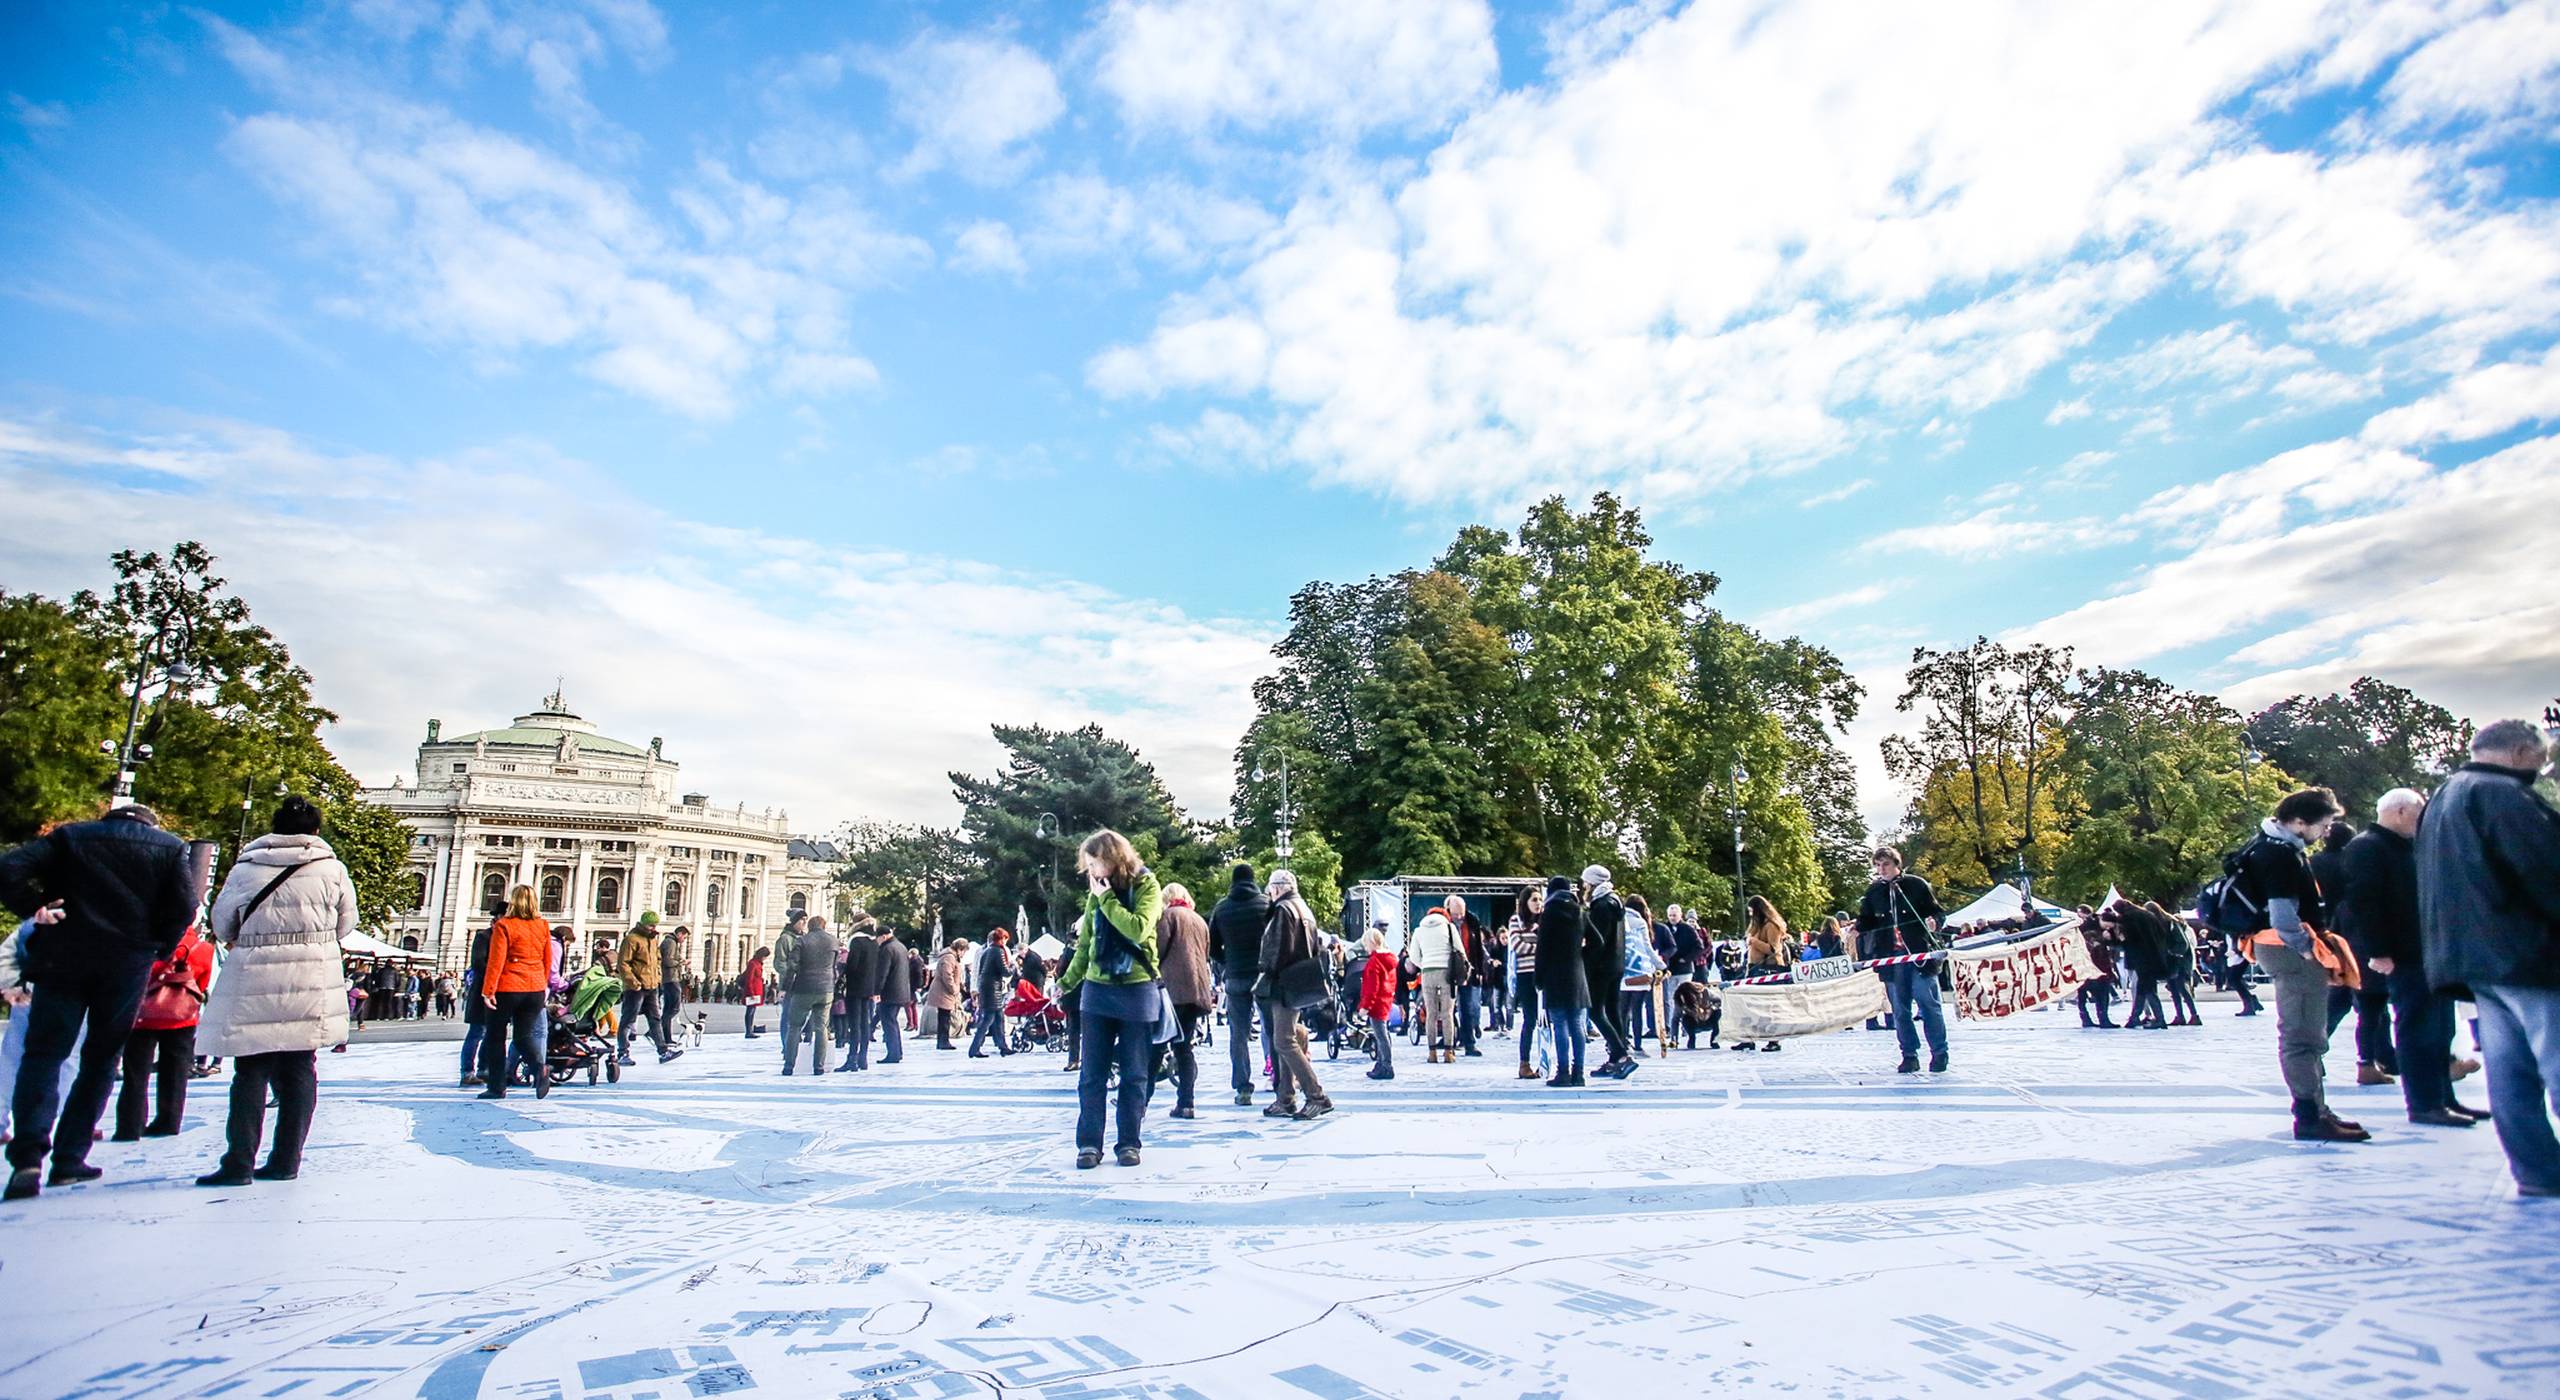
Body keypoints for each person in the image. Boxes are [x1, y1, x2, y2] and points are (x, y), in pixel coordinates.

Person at [0, 803, 199, 1202]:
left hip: (62, 956)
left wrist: (35, 908)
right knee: (101, 1059)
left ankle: (28, 1157)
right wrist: (156, 947)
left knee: (43, 1055)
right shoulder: (170, 848)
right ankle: (70, 1158)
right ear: (149, 823)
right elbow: (183, 908)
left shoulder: (71, 837)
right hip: (126, 962)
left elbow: (8, 869)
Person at [2416, 719, 2560, 1195]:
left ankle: (2538, 1172)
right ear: (2521, 752)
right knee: (2552, 1060)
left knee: (2509, 1071)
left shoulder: (2443, 797)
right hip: (2527, 953)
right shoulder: (2502, 797)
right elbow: (2545, 872)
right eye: (2542, 757)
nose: (2544, 766)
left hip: (2474, 958)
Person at [191, 796, 358, 1183]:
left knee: (249, 1070)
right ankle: (286, 1161)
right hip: (311, 977)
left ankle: (238, 1163)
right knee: (300, 1069)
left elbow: (223, 924)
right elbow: (346, 923)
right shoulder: (331, 870)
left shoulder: (246, 868)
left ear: (274, 827)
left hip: (253, 975)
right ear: (316, 831)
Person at [2347, 788, 2484, 1129]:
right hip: (2404, 956)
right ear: (2400, 812)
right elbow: (2365, 903)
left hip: (2427, 954)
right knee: (2417, 1029)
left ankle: (2442, 1098)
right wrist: (2379, 951)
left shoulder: (2403, 846)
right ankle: (2424, 1103)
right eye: (2418, 812)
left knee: (2440, 1029)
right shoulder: (2368, 847)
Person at [2239, 786, 2369, 1143]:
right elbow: (2282, 913)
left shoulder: (2266, 847)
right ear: (2299, 822)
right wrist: (2308, 949)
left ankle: (2317, 1110)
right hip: (2288, 949)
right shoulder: (2279, 855)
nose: (2325, 833)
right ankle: (2310, 1114)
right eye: (2323, 825)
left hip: (2275, 946)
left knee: (2306, 1033)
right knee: (2303, 1035)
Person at [1059, 830, 1165, 1167]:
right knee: (1092, 1073)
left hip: (1137, 989)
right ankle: (1089, 1144)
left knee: (1135, 1073)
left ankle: (1128, 1143)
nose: (1090, 870)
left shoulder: (1147, 885)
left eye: (1095, 862)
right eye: (1087, 864)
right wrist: (1066, 981)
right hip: (1097, 990)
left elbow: (1138, 929)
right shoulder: (1095, 893)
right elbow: (1086, 946)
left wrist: (1106, 900)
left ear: (1113, 858)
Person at [2315, 820, 2398, 1085]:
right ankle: (2378, 1057)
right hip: (2360, 931)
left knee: (2338, 1000)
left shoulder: (2315, 863)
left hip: (2333, 932)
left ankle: (2315, 1051)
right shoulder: (2354, 864)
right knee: (2373, 1004)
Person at [114, 920, 213, 1140]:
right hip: (182, 1016)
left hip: (143, 1016)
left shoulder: (143, 940)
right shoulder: (201, 948)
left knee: (136, 1073)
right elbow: (202, 983)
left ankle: (130, 1125)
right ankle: (169, 1120)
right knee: (176, 1071)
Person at [1855, 847, 1949, 1075]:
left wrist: (1935, 922)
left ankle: (1939, 1052)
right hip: (1890, 958)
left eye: (1885, 864)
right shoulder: (1874, 891)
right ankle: (1909, 1054)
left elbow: (1938, 913)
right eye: (1877, 865)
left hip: (1919, 956)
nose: (1881, 870)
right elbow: (1866, 921)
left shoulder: (1916, 885)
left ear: (1896, 864)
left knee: (1929, 1005)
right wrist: (1855, 928)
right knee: (1899, 1010)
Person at [1254, 868, 1332, 1122]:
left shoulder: (1284, 910)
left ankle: (1316, 1095)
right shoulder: (1303, 908)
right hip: (1299, 979)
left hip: (1284, 981)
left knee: (1283, 1040)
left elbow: (1276, 950)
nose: (1269, 894)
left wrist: (1265, 971)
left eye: (1270, 889)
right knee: (1287, 1034)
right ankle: (1285, 1097)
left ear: (1278, 887)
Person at [472, 884, 553, 1103]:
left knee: (494, 1037)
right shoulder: (542, 925)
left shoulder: (504, 925)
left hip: (509, 987)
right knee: (523, 1035)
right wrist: (542, 984)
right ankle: (539, 1067)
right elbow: (547, 959)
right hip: (534, 988)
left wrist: (488, 990)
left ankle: (497, 1087)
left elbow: (496, 961)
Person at [1206, 864, 1269, 1107]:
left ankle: (1243, 1087)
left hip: (1235, 976)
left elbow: (1212, 948)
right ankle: (1280, 1081)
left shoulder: (1222, 908)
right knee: (1271, 1030)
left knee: (1238, 1034)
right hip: (1263, 975)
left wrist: (1228, 962)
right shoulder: (1265, 905)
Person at [1156, 883, 1214, 1118]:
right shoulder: (1199, 920)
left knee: (1156, 1046)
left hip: (1172, 992)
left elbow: (1157, 951)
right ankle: (1186, 1102)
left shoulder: (1167, 917)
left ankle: (1140, 1102)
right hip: (1196, 992)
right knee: (1184, 1048)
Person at [1536, 877, 1591, 1087]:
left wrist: (1538, 977)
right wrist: (1581, 954)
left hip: (1554, 974)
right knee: (1577, 1024)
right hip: (1577, 972)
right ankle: (1579, 1073)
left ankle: (1563, 1072)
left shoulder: (1549, 913)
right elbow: (1597, 940)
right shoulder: (1579, 911)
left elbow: (1542, 948)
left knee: (1559, 1023)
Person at [1582, 866, 1636, 1080]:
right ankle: (1615, 1058)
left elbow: (1597, 941)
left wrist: (1586, 961)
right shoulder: (1615, 902)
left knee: (1595, 1011)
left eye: (1585, 882)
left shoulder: (1601, 906)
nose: (1583, 886)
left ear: (1592, 883)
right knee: (1613, 1011)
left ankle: (1621, 1055)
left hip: (1602, 966)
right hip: (1616, 964)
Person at [776, 914, 837, 1075]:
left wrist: (785, 988)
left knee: (794, 1026)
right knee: (821, 1028)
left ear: (809, 926)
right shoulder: (833, 941)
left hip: (804, 988)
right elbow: (835, 967)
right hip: (826, 989)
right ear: (823, 926)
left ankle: (789, 1066)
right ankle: (819, 1067)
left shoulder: (802, 941)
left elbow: (792, 967)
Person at [614, 914, 678, 1066]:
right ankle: (623, 1052)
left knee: (655, 1019)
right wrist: (633, 982)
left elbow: (658, 961)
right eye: (651, 925)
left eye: (655, 925)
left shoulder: (653, 940)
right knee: (628, 1020)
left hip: (652, 986)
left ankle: (663, 1051)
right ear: (642, 924)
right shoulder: (632, 939)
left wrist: (658, 979)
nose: (654, 928)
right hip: (635, 988)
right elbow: (623, 964)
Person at [1738, 895, 1794, 1053]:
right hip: (1755, 967)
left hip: (1769, 968)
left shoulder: (1771, 926)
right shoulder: (1758, 925)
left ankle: (1773, 1039)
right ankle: (1748, 1038)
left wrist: (1753, 942)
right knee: (1750, 1004)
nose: (1750, 915)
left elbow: (1773, 949)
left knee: (1769, 1006)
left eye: (1751, 911)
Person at [1409, 909, 1462, 1064]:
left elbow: (1413, 956)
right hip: (1447, 972)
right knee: (1447, 1013)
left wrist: (1424, 964)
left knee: (1431, 1014)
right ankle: (1448, 1052)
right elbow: (1460, 950)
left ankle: (1432, 1053)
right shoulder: (1449, 928)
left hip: (1427, 973)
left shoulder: (1419, 931)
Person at [836, 917, 883, 1072]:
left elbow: (853, 965)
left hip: (855, 987)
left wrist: (843, 967)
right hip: (868, 987)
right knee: (865, 1023)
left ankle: (852, 1059)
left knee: (854, 1024)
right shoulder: (874, 942)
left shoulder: (856, 941)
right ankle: (863, 1058)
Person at [1444, 898, 1488, 1057]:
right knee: (1447, 1009)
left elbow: (1478, 948)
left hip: (1468, 969)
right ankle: (1448, 1042)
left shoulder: (1472, 920)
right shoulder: (1443, 922)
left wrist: (1480, 971)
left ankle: (1469, 1043)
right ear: (1448, 910)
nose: (1459, 917)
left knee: (1469, 1008)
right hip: (1448, 969)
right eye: (1456, 914)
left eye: (1461, 913)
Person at [1620, 894, 1662, 1056]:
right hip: (1640, 970)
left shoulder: (1619, 920)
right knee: (1637, 1009)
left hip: (1623, 970)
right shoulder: (1640, 923)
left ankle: (1622, 1043)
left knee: (1623, 1010)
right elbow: (1647, 947)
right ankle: (1638, 1045)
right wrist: (1661, 965)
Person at [1510, 901, 1544, 1081]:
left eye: (1539, 899)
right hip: (1525, 974)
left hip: (1544, 973)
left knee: (1546, 1021)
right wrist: (1541, 948)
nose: (1538, 903)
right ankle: (1524, 1063)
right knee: (1529, 1020)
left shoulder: (1545, 920)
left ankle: (1545, 1062)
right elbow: (1518, 946)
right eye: (1534, 900)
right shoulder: (1516, 920)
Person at [1359, 925, 1398, 1080]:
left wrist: (1365, 1007)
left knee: (1380, 1035)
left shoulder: (1374, 962)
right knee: (1384, 1034)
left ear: (1372, 943)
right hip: (1386, 1000)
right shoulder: (1389, 960)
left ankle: (1386, 1065)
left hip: (1376, 1004)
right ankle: (1382, 1063)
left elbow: (1371, 988)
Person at [872, 927, 913, 1065]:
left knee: (888, 1023)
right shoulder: (901, 946)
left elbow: (882, 973)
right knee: (893, 1022)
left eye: (877, 938)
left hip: (890, 992)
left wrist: (876, 991)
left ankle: (893, 1053)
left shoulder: (886, 949)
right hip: (901, 991)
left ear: (882, 936)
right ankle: (897, 1052)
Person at [966, 931, 1010, 1056]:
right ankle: (974, 1049)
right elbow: (1005, 971)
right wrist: (1013, 968)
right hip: (993, 991)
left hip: (987, 989)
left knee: (998, 1018)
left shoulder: (985, 951)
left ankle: (1003, 1046)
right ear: (1001, 939)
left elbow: (978, 971)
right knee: (987, 1020)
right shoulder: (998, 951)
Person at [928, 936, 966, 1050]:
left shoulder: (950, 957)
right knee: (944, 1017)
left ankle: (943, 1040)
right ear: (959, 949)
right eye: (964, 951)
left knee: (944, 1016)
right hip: (944, 992)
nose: (964, 954)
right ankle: (943, 1041)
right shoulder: (949, 958)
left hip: (944, 991)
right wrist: (954, 989)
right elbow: (947, 975)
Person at [741, 946, 769, 1038]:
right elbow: (749, 979)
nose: (765, 959)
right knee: (750, 1011)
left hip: (757, 992)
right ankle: (748, 1031)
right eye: (765, 956)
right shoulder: (753, 964)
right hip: (752, 992)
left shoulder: (758, 963)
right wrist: (751, 993)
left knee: (752, 1011)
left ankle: (750, 1030)